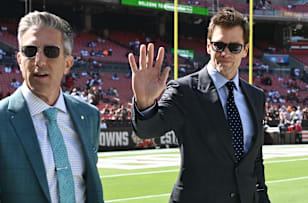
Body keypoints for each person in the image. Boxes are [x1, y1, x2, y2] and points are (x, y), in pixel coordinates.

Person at [129, 7, 270, 203]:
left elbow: (254, 162)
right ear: (208, 46)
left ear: (245, 50)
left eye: (234, 47)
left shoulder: (255, 96)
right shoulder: (184, 90)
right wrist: (144, 102)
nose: (225, 53)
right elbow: (148, 130)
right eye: (219, 45)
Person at [0, 11, 103, 203]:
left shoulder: (89, 116)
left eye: (51, 51)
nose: (39, 60)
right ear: (20, 60)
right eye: (30, 51)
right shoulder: (2, 119)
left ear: (67, 64)